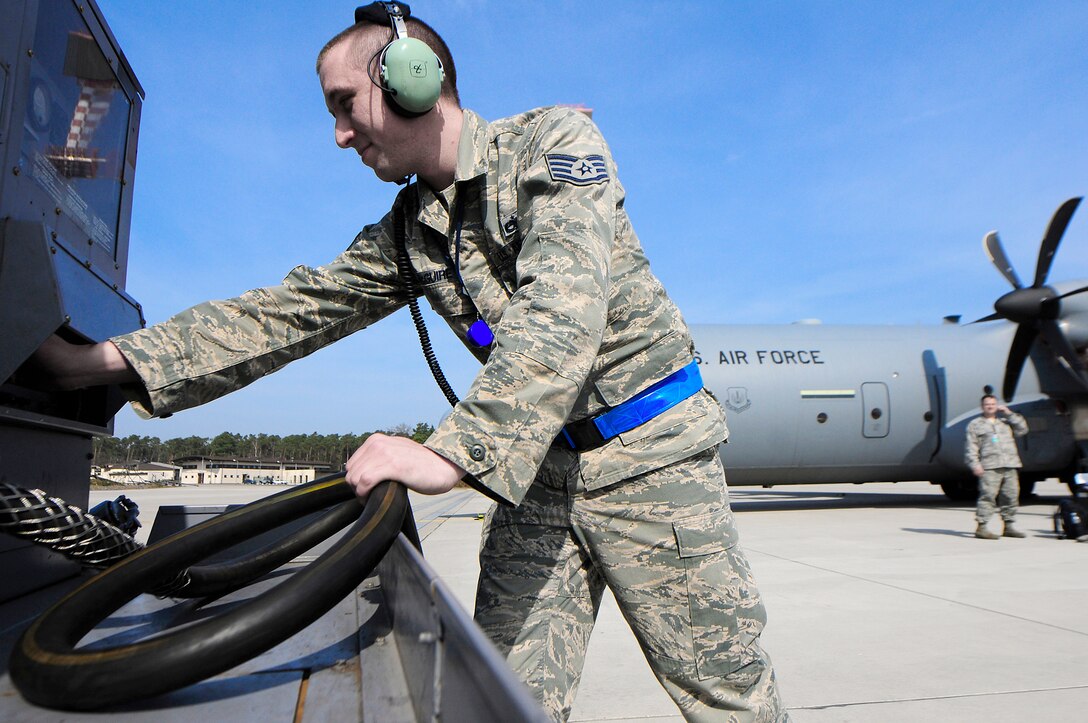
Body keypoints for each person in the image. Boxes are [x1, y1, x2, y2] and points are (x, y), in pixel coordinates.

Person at [32, 4, 786, 720]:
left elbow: (564, 311)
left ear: (411, 78)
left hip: (652, 461)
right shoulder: (412, 232)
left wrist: (448, 453)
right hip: (540, 477)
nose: (337, 135)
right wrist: (97, 362)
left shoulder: (555, 143)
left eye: (343, 103)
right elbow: (285, 312)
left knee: (727, 699)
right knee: (492, 693)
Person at [964, 394, 1029, 540]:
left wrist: (1009, 413)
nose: (990, 406)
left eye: (993, 404)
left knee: (1011, 495)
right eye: (987, 404)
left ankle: (1009, 525)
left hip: (1010, 464)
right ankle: (982, 526)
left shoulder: (1005, 422)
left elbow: (1023, 429)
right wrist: (975, 464)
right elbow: (971, 447)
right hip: (990, 466)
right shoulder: (975, 424)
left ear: (997, 405)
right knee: (988, 496)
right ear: (982, 406)